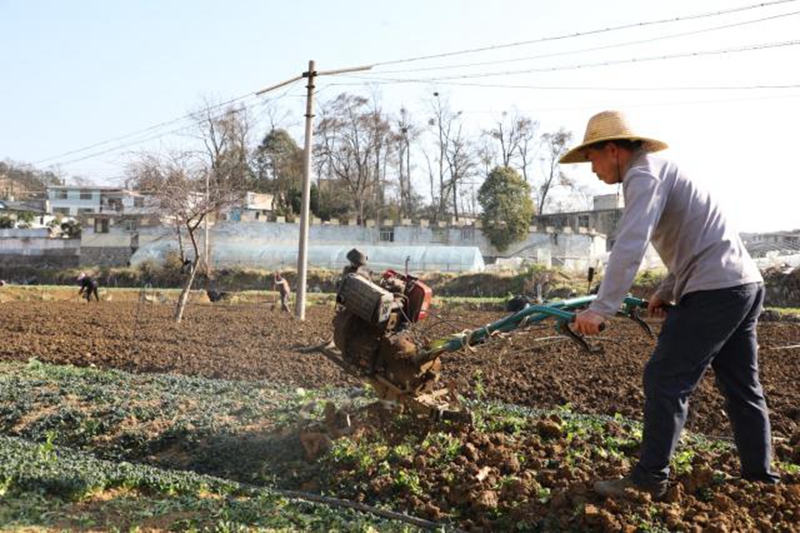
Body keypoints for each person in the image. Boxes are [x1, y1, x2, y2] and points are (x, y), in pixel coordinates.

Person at [561, 110, 779, 498]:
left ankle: (649, 480)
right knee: (742, 385)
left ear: (612, 150)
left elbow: (631, 242)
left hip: (715, 290)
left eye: (592, 159)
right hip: (743, 284)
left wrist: (602, 307)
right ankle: (760, 477)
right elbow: (698, 240)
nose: (591, 170)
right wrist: (668, 287)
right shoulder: (659, 169)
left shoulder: (642, 175)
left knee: (664, 379)